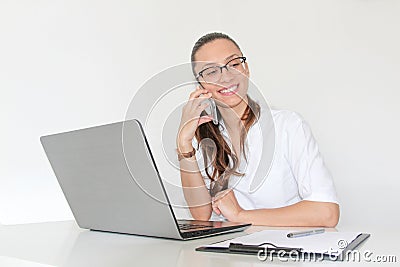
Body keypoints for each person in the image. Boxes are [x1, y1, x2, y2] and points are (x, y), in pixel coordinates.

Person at [176, 32, 339, 227]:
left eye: (234, 64)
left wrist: (241, 216)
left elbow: (327, 213)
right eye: (212, 71)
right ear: (201, 84)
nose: (226, 76)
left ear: (246, 69)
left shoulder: (288, 126)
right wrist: (183, 143)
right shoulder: (205, 136)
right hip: (228, 252)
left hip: (283, 251)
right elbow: (201, 216)